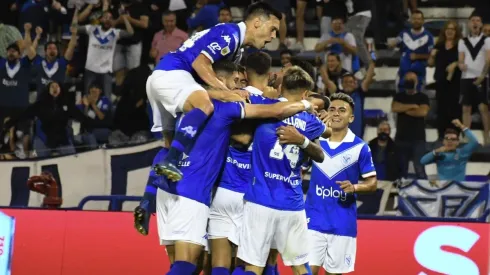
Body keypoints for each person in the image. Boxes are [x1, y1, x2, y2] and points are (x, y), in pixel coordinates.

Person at [153, 77, 320, 274]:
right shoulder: (261, 108)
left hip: (215, 191)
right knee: (254, 261)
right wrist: (309, 107)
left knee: (216, 261)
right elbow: (312, 136)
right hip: (249, 196)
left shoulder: (199, 102)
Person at [147, 2, 282, 181]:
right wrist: (227, 92)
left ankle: (150, 197)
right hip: (173, 74)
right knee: (205, 105)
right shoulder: (230, 34)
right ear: (257, 22)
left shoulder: (237, 48)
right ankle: (170, 162)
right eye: (272, 29)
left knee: (170, 141)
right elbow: (200, 63)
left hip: (164, 77)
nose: (273, 36)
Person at [236, 67, 331, 275]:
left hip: (260, 200)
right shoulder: (309, 121)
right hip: (292, 204)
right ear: (305, 95)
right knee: (299, 267)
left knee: (253, 266)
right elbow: (326, 137)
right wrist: (307, 135)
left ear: (281, 87)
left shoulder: (264, 107)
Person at [306, 92, 377, 275]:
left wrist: (354, 188)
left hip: (342, 224)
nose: (336, 114)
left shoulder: (360, 147)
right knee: (305, 272)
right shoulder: (315, 140)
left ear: (351, 117)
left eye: (342, 110)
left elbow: (372, 183)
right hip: (313, 220)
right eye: (332, 109)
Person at [458, 13, 490, 144]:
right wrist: (461, 65)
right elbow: (460, 59)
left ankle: (487, 137)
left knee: (483, 108)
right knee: (466, 108)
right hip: (466, 77)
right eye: (473, 20)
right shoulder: (463, 41)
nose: (475, 23)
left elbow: (488, 59)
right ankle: (467, 137)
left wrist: (482, 75)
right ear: (469, 24)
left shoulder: (487, 40)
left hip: (481, 77)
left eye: (478, 20)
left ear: (481, 24)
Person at [391, 72, 430, 179]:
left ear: (417, 81)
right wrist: (413, 106)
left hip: (418, 139)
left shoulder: (423, 97)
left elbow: (422, 112)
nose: (410, 82)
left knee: (420, 168)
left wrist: (403, 110)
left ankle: (423, 194)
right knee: (401, 170)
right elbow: (394, 108)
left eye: (412, 79)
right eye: (408, 79)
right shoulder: (398, 96)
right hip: (401, 138)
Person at [428, 20, 462, 140]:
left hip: (455, 83)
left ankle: (455, 135)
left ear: (456, 31)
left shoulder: (460, 45)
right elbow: (430, 64)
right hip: (441, 81)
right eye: (448, 29)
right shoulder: (439, 45)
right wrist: (432, 55)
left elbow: (465, 61)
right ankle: (441, 136)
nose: (449, 31)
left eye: (452, 29)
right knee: (441, 109)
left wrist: (455, 64)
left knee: (454, 109)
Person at [389, 10, 434, 92]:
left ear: (423, 21)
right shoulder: (404, 33)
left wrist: (418, 56)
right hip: (403, 74)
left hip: (419, 75)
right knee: (401, 99)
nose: (416, 21)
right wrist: (392, 43)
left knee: (417, 101)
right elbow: (396, 41)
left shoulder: (428, 36)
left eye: (418, 19)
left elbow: (431, 56)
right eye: (414, 19)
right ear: (410, 20)